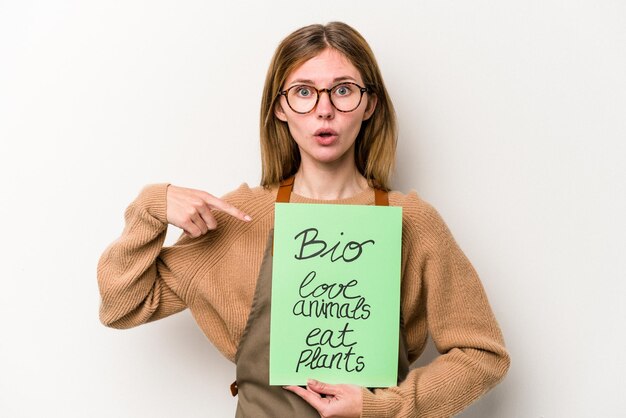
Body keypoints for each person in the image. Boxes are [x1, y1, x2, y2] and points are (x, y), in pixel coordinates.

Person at [97, 21, 510, 418]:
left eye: (343, 91)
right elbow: (121, 307)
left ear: (369, 104)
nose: (324, 110)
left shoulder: (412, 222)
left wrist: (380, 408)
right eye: (304, 92)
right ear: (280, 107)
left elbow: (483, 355)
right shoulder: (242, 218)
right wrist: (151, 206)